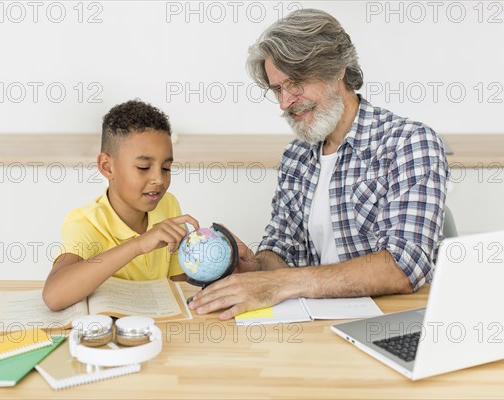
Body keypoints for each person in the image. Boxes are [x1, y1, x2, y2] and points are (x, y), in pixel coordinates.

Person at [189, 9, 449, 320]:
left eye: (295, 82)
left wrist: (278, 283)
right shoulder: (296, 156)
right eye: (277, 89)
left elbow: (403, 266)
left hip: (393, 323)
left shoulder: (408, 143)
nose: (285, 102)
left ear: (337, 70)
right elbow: (281, 248)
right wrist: (258, 267)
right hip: (319, 326)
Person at [43, 100, 199, 311]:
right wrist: (139, 245)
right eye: (143, 167)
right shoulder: (87, 222)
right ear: (107, 167)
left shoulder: (168, 205)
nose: (159, 180)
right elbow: (54, 296)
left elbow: (179, 286)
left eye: (166, 168)